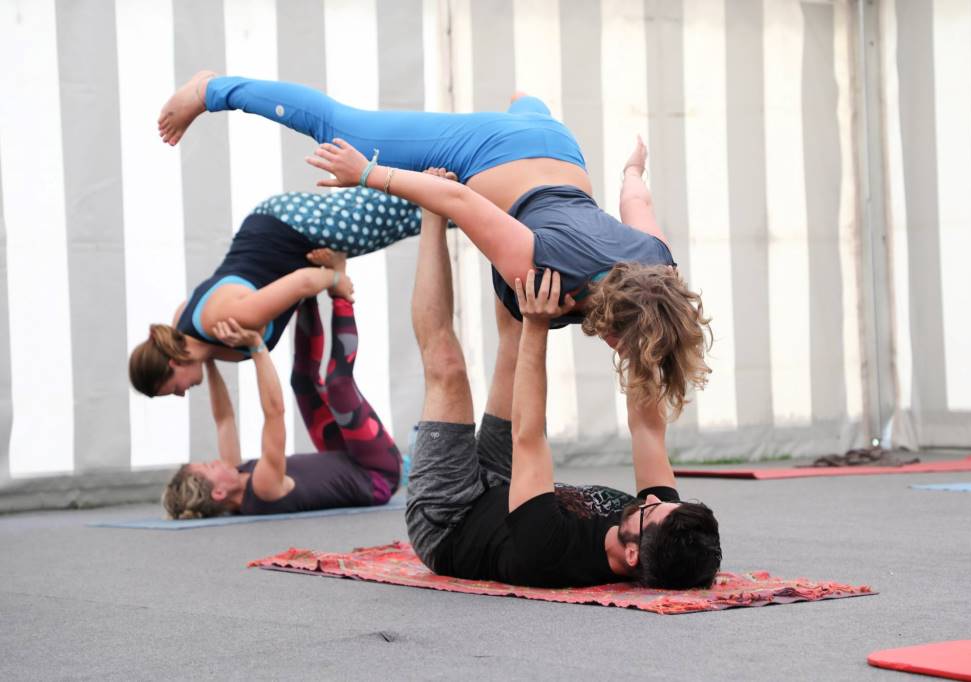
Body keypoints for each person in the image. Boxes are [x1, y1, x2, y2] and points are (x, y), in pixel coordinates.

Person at [158, 72, 712, 419]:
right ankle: (211, 90)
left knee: (528, 116)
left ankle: (527, 102)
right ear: (616, 324)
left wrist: (634, 166)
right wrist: (369, 171)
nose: (616, 350)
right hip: (489, 151)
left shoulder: (659, 265)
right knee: (335, 125)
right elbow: (463, 204)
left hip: (560, 148)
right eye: (623, 345)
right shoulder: (541, 264)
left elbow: (635, 198)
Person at [403, 185, 721, 588]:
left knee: (448, 370)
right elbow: (648, 430)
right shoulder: (662, 528)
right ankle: (504, 213)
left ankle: (431, 217)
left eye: (652, 511)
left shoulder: (547, 552)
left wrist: (538, 325)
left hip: (451, 516)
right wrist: (642, 337)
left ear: (633, 554)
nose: (653, 499)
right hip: (512, 484)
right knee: (516, 336)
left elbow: (529, 436)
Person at [129, 188, 422, 399]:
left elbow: (303, 282)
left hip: (291, 226)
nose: (182, 395)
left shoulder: (225, 321)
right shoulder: (190, 330)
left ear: (173, 363)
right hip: (287, 234)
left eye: (173, 390)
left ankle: (454, 156)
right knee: (418, 217)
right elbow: (223, 417)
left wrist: (337, 280)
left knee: (405, 193)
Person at [162, 292, 401, 519]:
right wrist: (257, 347)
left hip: (345, 456)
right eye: (208, 466)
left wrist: (208, 358)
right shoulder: (264, 489)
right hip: (377, 473)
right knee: (338, 385)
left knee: (303, 383)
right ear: (219, 493)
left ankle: (308, 295)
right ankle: (341, 295)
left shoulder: (237, 473)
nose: (214, 461)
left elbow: (223, 419)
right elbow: (275, 413)